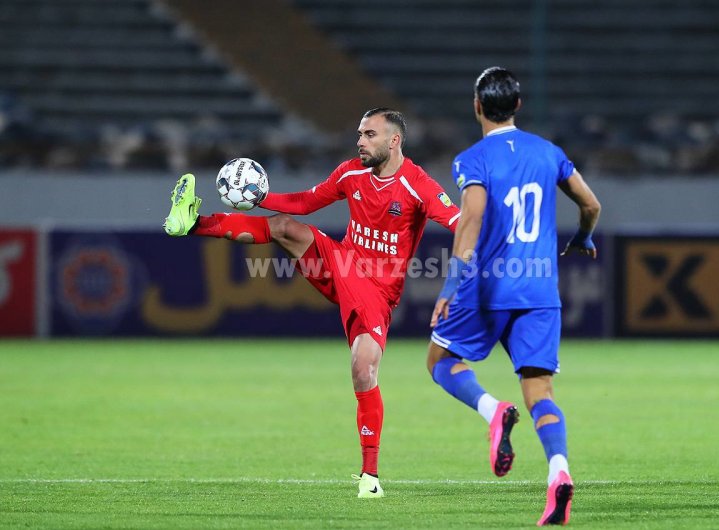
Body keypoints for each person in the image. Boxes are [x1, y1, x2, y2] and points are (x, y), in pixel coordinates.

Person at [162, 108, 460, 498]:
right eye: (359, 134)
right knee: (287, 226)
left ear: (394, 141)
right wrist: (264, 197)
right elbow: (307, 202)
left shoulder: (418, 184)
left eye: (369, 135)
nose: (360, 141)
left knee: (363, 370)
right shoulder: (350, 172)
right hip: (342, 267)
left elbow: (458, 222)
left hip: (377, 291)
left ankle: (370, 477)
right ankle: (193, 222)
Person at [427, 67, 601, 526]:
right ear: (518, 107)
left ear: (477, 106)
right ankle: (558, 473)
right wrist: (583, 237)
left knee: (439, 361)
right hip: (540, 291)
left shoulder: (473, 159)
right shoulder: (549, 153)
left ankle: (492, 410)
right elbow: (591, 204)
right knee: (541, 392)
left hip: (488, 287)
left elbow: (472, 220)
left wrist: (450, 285)